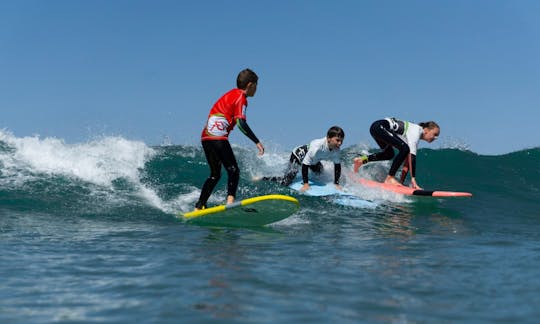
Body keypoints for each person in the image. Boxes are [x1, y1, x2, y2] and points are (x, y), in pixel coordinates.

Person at [194, 68, 265, 210]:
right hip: (218, 137)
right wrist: (257, 141)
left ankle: (199, 205)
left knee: (215, 175)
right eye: (256, 85)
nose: (257, 89)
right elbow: (240, 122)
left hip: (206, 137)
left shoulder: (230, 94)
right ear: (250, 85)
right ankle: (230, 204)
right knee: (233, 170)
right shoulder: (241, 98)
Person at [353, 118, 439, 189]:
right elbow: (412, 157)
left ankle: (361, 160)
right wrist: (413, 180)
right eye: (435, 134)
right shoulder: (417, 131)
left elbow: (407, 161)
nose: (436, 138)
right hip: (380, 127)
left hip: (376, 128)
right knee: (404, 148)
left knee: (389, 154)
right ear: (426, 130)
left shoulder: (413, 134)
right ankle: (390, 178)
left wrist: (401, 182)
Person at [264, 126, 344, 191]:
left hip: (314, 160)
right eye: (337, 140)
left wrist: (336, 184)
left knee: (320, 173)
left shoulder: (336, 150)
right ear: (328, 138)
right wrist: (306, 184)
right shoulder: (317, 147)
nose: (340, 143)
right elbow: (305, 165)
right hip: (298, 156)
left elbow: (337, 165)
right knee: (287, 180)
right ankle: (264, 178)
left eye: (341, 141)